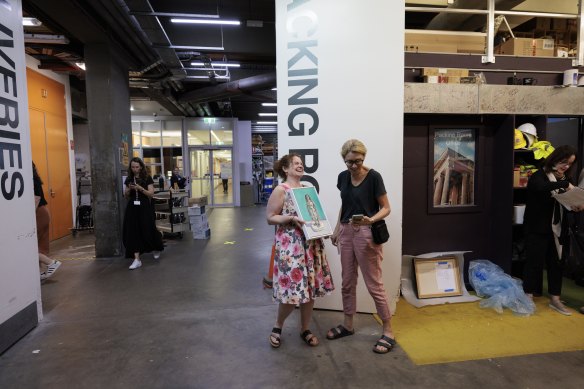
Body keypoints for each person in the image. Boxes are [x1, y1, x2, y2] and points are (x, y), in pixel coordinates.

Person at [328, 139, 396, 354]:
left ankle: (388, 331)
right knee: (347, 281)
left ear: (363, 158)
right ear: (344, 160)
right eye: (349, 162)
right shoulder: (342, 177)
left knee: (374, 283)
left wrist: (371, 220)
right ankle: (348, 325)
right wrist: (337, 228)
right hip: (347, 232)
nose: (354, 166)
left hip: (366, 232)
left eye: (358, 161)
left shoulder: (374, 177)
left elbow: (386, 208)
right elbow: (345, 205)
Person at [266, 153, 334, 348]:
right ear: (285, 169)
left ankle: (305, 328)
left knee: (309, 291)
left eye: (301, 163)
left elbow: (314, 216)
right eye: (295, 163)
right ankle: (278, 326)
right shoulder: (281, 190)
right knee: (291, 291)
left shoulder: (306, 190)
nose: (300, 166)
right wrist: (290, 218)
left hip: (310, 244)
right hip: (291, 247)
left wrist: (323, 229)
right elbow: (270, 217)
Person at [523, 145, 579, 315]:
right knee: (534, 263)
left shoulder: (565, 179)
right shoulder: (539, 176)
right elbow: (541, 188)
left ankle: (555, 299)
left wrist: (575, 205)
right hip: (537, 228)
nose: (566, 167)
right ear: (555, 159)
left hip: (558, 229)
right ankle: (528, 297)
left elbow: (568, 199)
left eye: (569, 164)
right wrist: (565, 185)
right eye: (564, 162)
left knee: (556, 264)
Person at [122, 157, 164, 270]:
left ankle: (156, 247)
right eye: (132, 167)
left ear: (141, 166)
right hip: (132, 208)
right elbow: (125, 195)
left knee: (148, 228)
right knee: (132, 231)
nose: (135, 169)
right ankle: (137, 259)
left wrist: (140, 188)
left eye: (137, 167)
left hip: (145, 207)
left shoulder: (147, 178)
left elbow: (151, 194)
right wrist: (128, 190)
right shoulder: (129, 179)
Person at [33, 162, 61, 280]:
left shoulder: (31, 181)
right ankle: (38, 273)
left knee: (31, 246)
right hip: (43, 212)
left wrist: (28, 217)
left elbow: (36, 198)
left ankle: (51, 263)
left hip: (38, 212)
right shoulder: (36, 179)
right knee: (38, 245)